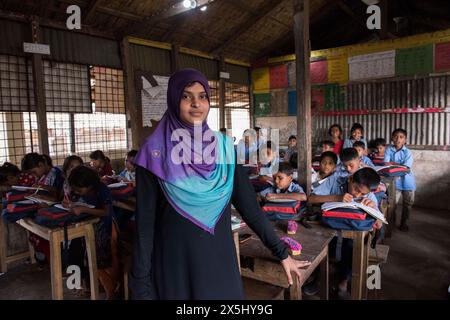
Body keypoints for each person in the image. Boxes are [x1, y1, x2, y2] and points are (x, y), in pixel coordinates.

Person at [130, 69, 310, 300]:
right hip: (175, 265)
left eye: (202, 96)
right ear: (173, 99)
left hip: (219, 260)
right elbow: (145, 226)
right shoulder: (153, 152)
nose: (196, 103)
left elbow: (250, 209)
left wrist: (282, 252)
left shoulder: (224, 148)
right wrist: (140, 285)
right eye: (186, 96)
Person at [68, 165, 118, 299]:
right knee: (92, 261)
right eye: (75, 189)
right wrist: (69, 205)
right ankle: (107, 287)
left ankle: (111, 292)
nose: (77, 192)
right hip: (90, 228)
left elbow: (106, 211)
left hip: (105, 229)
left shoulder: (102, 190)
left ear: (90, 185)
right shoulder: (80, 191)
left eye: (79, 190)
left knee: (100, 263)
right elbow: (75, 200)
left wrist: (83, 210)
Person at [259, 163, 306, 235]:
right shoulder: (274, 187)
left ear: (290, 178)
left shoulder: (295, 187)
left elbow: (303, 197)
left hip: (289, 219)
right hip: (275, 220)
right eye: (274, 178)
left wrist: (276, 196)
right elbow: (260, 195)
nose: (276, 181)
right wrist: (262, 198)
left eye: (280, 178)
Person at [384, 128, 416, 232]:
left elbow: (406, 168)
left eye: (401, 137)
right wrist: (399, 165)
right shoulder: (389, 149)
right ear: (392, 138)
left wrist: (393, 163)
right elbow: (386, 164)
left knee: (407, 205)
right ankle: (392, 223)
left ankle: (404, 223)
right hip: (394, 182)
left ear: (405, 140)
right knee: (392, 204)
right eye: (396, 136)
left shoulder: (408, 152)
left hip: (408, 182)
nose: (398, 139)